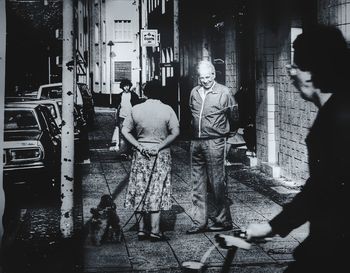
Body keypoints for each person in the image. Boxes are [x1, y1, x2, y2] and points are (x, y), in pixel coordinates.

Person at [216, 25, 350, 273]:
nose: (290, 74)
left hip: (336, 250)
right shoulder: (336, 110)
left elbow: (323, 190)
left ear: (312, 72)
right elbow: (321, 185)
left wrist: (271, 227)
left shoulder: (338, 119)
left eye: (295, 67)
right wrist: (274, 226)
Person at [122, 79, 180, 242]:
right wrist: (160, 146)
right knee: (156, 188)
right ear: (160, 93)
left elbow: (125, 130)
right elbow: (175, 132)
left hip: (141, 154)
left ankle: (141, 230)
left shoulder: (136, 109)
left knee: (139, 187)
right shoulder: (167, 109)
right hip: (161, 154)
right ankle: (155, 230)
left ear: (145, 92)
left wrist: (139, 146)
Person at [187, 60, 239, 234]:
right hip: (196, 142)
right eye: (201, 78)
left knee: (217, 182)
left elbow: (235, 116)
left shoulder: (224, 92)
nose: (205, 81)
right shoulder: (194, 92)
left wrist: (228, 137)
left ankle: (223, 220)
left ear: (214, 75)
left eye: (208, 77)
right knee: (197, 183)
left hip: (215, 141)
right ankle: (199, 222)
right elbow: (191, 113)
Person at [115, 79, 141, 159]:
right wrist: (116, 118)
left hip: (131, 117)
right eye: (125, 86)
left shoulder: (133, 95)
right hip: (122, 117)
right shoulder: (120, 95)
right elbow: (117, 107)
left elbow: (136, 106)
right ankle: (123, 152)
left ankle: (130, 151)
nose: (126, 88)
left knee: (131, 134)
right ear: (122, 87)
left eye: (128, 86)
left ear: (130, 86)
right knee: (122, 135)